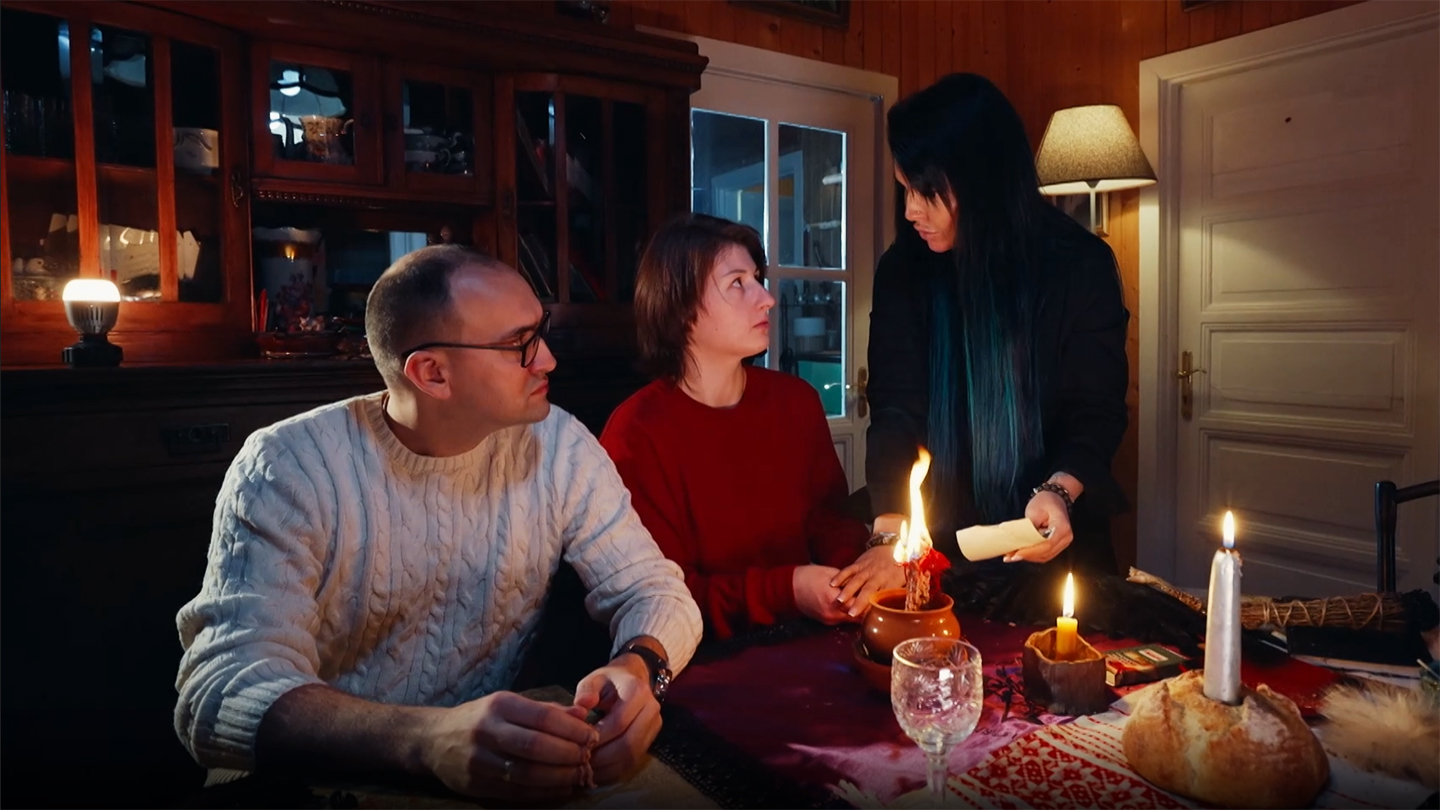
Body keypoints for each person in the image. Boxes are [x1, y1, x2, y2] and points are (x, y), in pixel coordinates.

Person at [173, 245, 702, 802]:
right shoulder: (291, 464)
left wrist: (641, 665)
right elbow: (220, 693)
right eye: (520, 345)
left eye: (541, 332)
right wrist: (424, 740)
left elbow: (654, 589)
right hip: (305, 781)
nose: (547, 359)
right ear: (432, 373)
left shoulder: (558, 445)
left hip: (479, 775)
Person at [867, 73, 1130, 575]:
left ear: (981, 180)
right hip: (940, 548)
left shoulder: (1078, 265)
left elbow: (1095, 411)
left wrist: (1059, 490)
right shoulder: (903, 270)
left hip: (1052, 539)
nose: (911, 210)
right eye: (905, 189)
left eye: (926, 191)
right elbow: (895, 409)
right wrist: (888, 534)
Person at [600, 214, 903, 639]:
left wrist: (861, 572)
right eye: (737, 283)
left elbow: (827, 519)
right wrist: (788, 590)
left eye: (757, 278)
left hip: (810, 637)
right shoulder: (636, 434)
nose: (767, 298)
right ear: (681, 307)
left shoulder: (795, 402)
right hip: (701, 657)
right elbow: (661, 599)